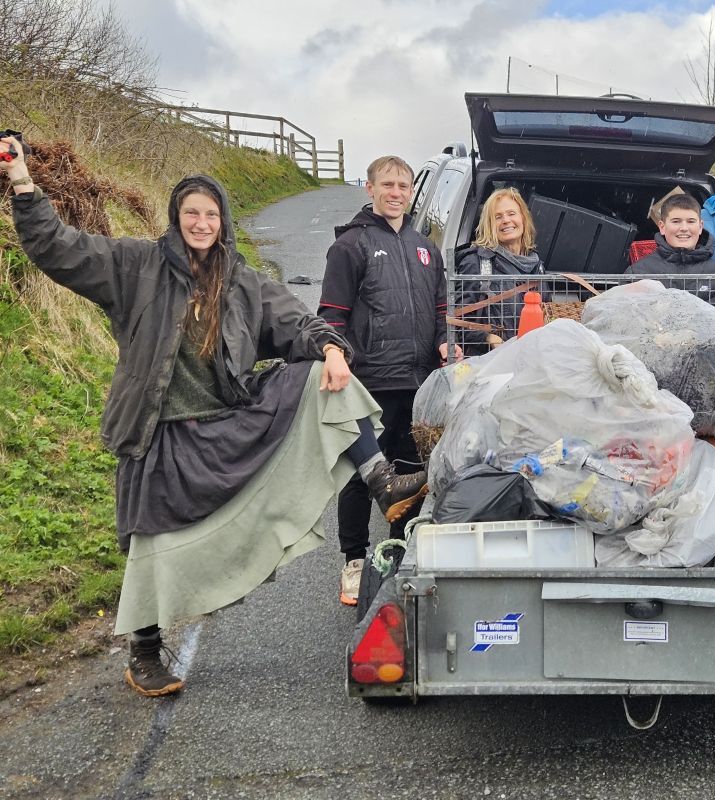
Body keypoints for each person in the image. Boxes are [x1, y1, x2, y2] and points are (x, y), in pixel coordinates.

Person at [0, 138, 424, 697]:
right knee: (149, 544)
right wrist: (24, 187)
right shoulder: (134, 265)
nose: (201, 223)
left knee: (321, 377)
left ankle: (381, 481)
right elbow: (58, 249)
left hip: (225, 423)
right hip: (159, 433)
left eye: (211, 214)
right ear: (177, 219)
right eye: (191, 213)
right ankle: (145, 653)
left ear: (222, 222)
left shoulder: (241, 281)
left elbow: (296, 321)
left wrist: (330, 348)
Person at [319, 155, 453, 606]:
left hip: (418, 383)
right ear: (370, 188)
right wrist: (336, 358)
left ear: (412, 191)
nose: (396, 192)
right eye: (388, 184)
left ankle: (396, 552)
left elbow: (440, 313)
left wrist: (443, 345)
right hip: (370, 380)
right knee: (361, 477)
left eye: (403, 185)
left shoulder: (425, 248)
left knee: (410, 474)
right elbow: (331, 318)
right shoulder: (350, 247)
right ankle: (354, 563)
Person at [455, 187, 545, 355]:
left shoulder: (537, 265)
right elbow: (458, 322)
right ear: (489, 225)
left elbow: (547, 315)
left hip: (531, 361)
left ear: (523, 219)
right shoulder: (476, 262)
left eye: (512, 214)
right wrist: (488, 339)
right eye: (498, 217)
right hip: (489, 365)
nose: (506, 220)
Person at [627, 193, 715, 281]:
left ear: (700, 227)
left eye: (691, 221)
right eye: (676, 221)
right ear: (662, 227)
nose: (684, 228)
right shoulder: (639, 273)